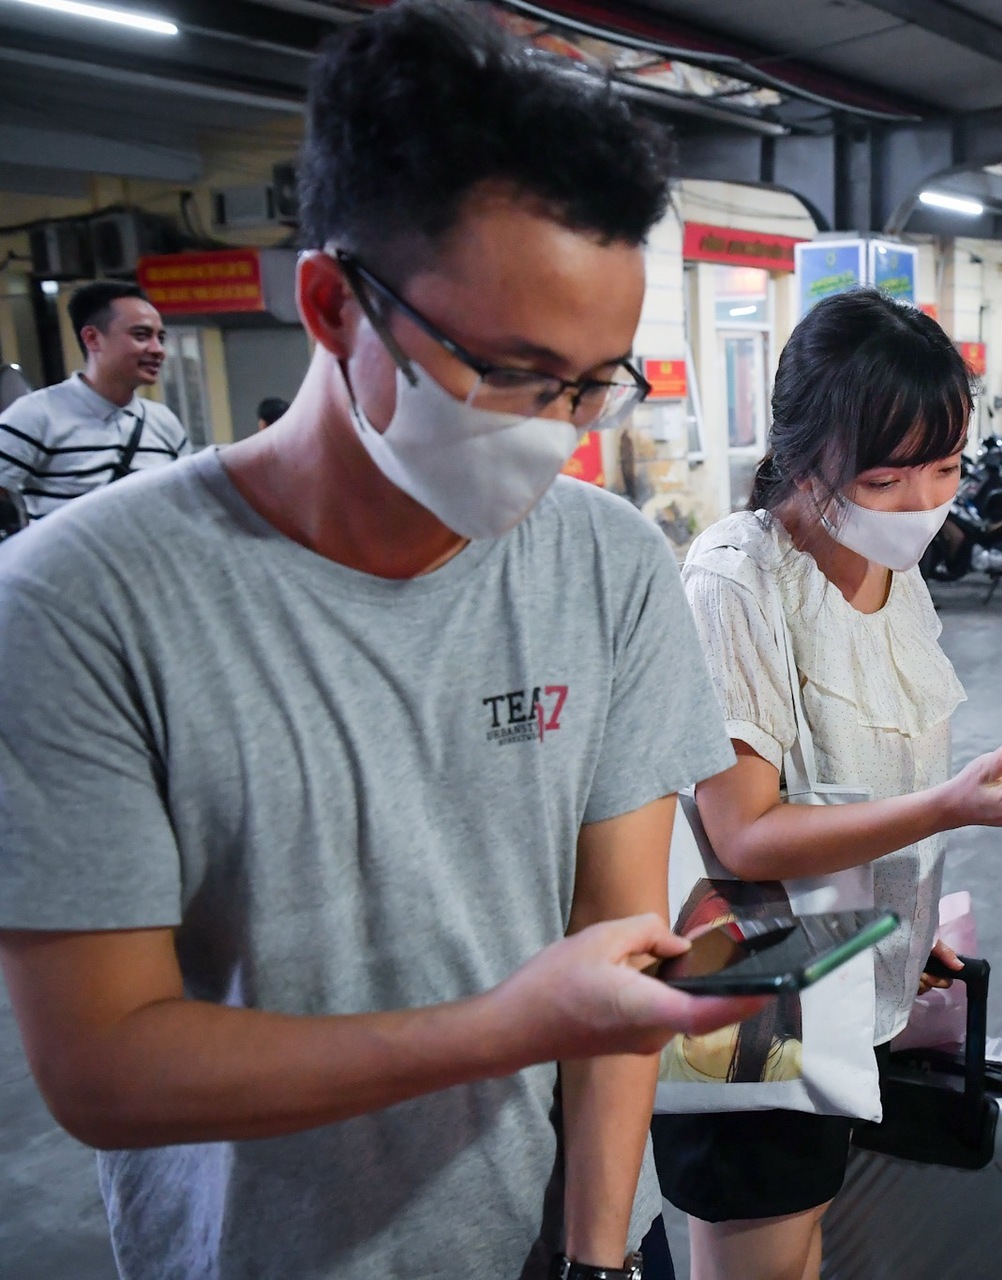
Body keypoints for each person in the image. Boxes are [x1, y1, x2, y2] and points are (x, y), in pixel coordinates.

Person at [0, 6, 766, 1278]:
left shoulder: (611, 562)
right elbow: (108, 1064)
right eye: (511, 371)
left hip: (559, 1239)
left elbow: (611, 937)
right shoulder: (77, 604)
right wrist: (500, 1026)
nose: (556, 431)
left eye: (591, 384)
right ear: (330, 304)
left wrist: (596, 1258)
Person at [659, 288, 1002, 1280]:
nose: (926, 503)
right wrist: (952, 806)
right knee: (765, 1252)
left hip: (860, 981)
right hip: (754, 988)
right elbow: (748, 833)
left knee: (814, 1243)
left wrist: (907, 917)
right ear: (809, 457)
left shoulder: (897, 572)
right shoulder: (738, 576)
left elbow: (859, 796)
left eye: (946, 468)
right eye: (892, 476)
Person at [0, 282, 190, 525]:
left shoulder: (164, 421)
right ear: (92, 338)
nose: (158, 349)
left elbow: (188, 500)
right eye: (141, 335)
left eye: (160, 337)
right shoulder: (36, 414)